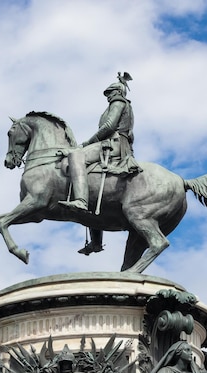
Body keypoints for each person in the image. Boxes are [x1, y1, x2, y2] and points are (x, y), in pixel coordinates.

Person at [59, 72, 141, 255]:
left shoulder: (118, 103)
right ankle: (96, 242)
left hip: (112, 145)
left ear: (117, 91)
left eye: (109, 93)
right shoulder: (123, 105)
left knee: (76, 157)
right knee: (94, 187)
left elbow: (109, 126)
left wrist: (86, 144)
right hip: (114, 144)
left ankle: (80, 201)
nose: (108, 97)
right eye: (107, 94)